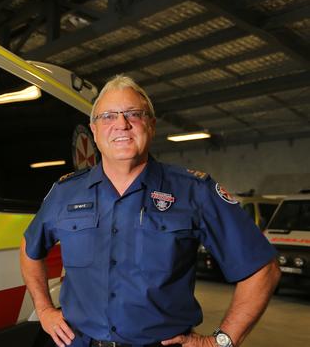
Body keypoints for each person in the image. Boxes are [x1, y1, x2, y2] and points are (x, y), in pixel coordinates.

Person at [20, 75, 280, 347]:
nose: (121, 124)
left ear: (151, 125)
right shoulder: (65, 192)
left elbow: (263, 268)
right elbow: (29, 247)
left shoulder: (194, 191)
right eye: (108, 116)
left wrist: (222, 341)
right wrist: (45, 309)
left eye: (134, 114)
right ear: (94, 131)